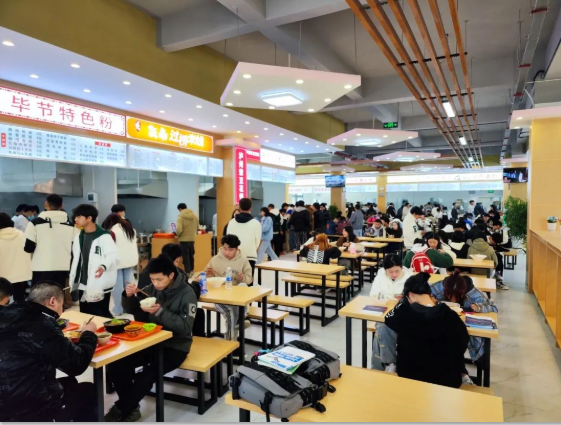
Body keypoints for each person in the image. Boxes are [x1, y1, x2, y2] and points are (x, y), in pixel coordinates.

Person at [105, 255, 197, 422]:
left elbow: (185, 327)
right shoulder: (152, 288)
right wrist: (129, 296)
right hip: (151, 341)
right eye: (152, 279)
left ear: (171, 275)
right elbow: (133, 310)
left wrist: (160, 312)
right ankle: (131, 407)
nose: (155, 284)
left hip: (176, 346)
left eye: (159, 279)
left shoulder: (187, 293)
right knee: (117, 363)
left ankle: (121, 409)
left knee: (147, 374)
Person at [0, 282, 98, 422]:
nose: (61, 311)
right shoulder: (42, 323)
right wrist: (88, 334)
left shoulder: (10, 313)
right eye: (62, 305)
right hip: (30, 408)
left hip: (6, 403)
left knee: (70, 382)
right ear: (52, 301)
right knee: (89, 390)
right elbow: (77, 364)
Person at [384, 273, 469, 388]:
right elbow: (463, 343)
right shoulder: (451, 315)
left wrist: (403, 301)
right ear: (429, 294)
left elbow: (388, 318)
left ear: (411, 295)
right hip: (447, 381)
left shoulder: (405, 315)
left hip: (410, 378)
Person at [431, 269, 498, 366]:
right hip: (443, 322)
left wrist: (479, 307)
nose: (453, 300)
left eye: (457, 297)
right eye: (449, 296)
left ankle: (456, 362)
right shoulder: (442, 286)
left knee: (456, 340)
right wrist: (431, 299)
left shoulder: (475, 295)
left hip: (461, 325)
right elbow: (424, 293)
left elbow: (494, 307)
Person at [193, 235, 252, 341]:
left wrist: (242, 278)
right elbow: (201, 277)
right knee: (231, 312)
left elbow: (249, 279)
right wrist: (207, 274)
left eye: (230, 250)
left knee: (242, 289)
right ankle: (232, 340)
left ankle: (233, 336)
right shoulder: (215, 260)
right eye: (225, 249)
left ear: (236, 249)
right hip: (220, 298)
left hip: (236, 297)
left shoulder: (243, 259)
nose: (227, 252)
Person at [69, 204, 118, 317]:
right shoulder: (79, 236)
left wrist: (103, 266)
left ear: (89, 218)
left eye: (79, 216)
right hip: (82, 283)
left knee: (101, 315)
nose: (75, 219)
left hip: (99, 282)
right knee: (85, 314)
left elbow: (114, 257)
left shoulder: (104, 236)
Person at [370, 255, 412, 370]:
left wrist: (402, 298)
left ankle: (384, 365)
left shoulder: (409, 277)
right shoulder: (380, 276)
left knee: (382, 330)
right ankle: (390, 364)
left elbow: (414, 298)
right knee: (382, 327)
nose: (394, 274)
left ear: (401, 268)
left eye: (397, 271)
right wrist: (392, 298)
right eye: (390, 271)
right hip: (383, 312)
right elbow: (373, 295)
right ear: (385, 270)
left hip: (403, 314)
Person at [24, 193, 75, 288]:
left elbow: (28, 248)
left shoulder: (35, 223)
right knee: (58, 294)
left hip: (41, 267)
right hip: (63, 267)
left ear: (46, 204)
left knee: (39, 295)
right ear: (62, 205)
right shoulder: (71, 225)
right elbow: (74, 248)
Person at [102, 213, 139, 316]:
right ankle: (128, 306)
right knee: (129, 285)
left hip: (117, 263)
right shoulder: (131, 229)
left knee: (117, 287)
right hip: (129, 261)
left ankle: (118, 309)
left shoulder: (113, 231)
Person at [225, 198, 261, 279]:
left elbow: (228, 239)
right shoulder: (256, 223)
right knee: (248, 280)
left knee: (233, 281)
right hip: (250, 255)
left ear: (239, 207)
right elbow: (257, 241)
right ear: (251, 208)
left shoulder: (231, 222)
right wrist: (252, 249)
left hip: (234, 255)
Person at [0, 213, 31, 302]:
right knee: (19, 298)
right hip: (20, 273)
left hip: (2, 275)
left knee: (2, 298)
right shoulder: (21, 234)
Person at [175, 202, 199, 274]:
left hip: (184, 240)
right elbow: (197, 227)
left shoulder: (180, 217)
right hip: (192, 239)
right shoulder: (194, 216)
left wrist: (176, 233)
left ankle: (187, 273)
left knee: (186, 257)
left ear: (180, 209)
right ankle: (192, 271)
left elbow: (179, 230)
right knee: (191, 256)